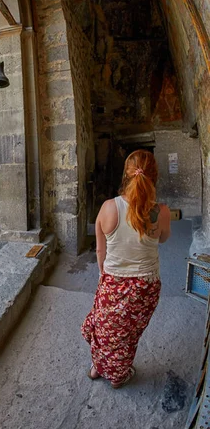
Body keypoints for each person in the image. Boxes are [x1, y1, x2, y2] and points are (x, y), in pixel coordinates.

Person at [81, 149, 171, 388]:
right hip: (145, 287)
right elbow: (162, 239)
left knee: (105, 327)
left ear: (126, 175)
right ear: (155, 176)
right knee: (128, 334)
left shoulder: (109, 207)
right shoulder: (161, 212)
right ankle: (117, 372)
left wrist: (105, 275)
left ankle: (103, 369)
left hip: (113, 281)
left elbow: (100, 252)